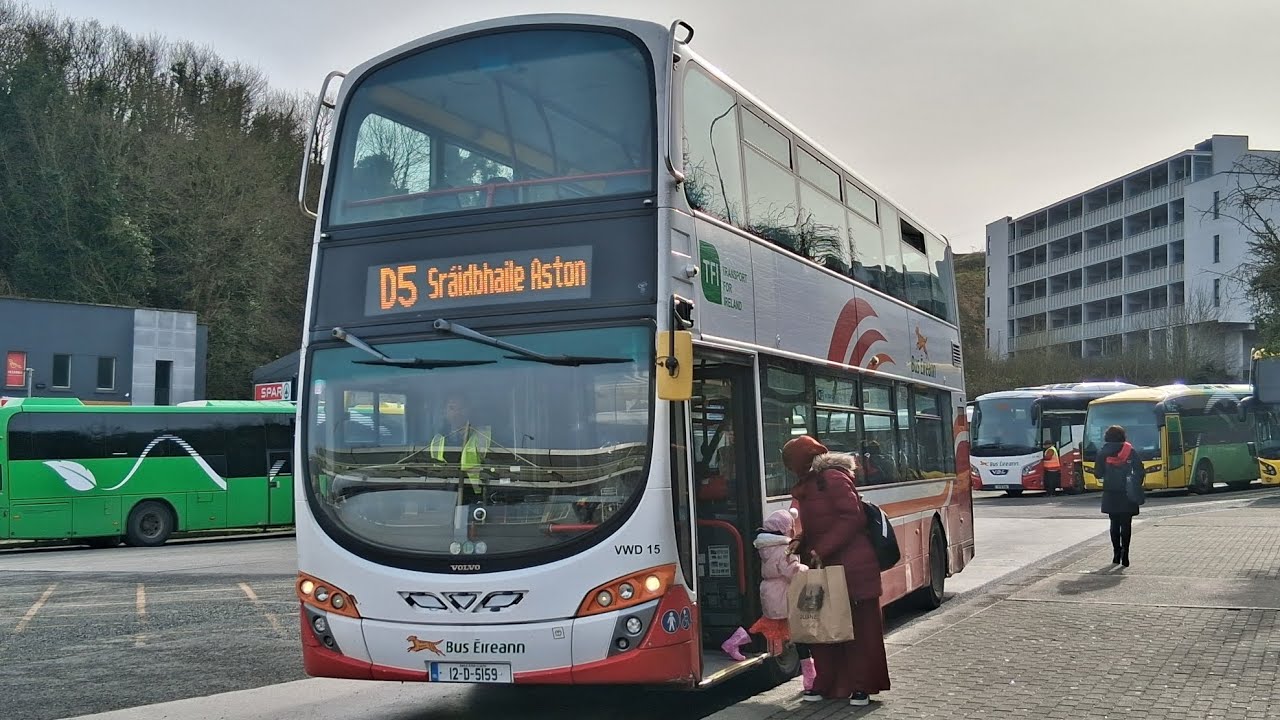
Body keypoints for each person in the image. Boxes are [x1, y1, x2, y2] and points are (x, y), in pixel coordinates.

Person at [784, 435, 890, 707]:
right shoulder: (812, 482)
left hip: (854, 568)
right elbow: (823, 522)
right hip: (831, 564)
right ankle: (830, 684)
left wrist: (821, 548)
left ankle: (860, 686)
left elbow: (852, 517)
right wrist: (802, 542)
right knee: (824, 628)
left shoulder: (832, 477)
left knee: (857, 630)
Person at [719, 509, 817, 693]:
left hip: (771, 591)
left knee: (767, 625)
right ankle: (810, 679)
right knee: (799, 635)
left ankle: (734, 642)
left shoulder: (766, 547)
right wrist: (806, 568)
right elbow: (791, 572)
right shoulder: (784, 549)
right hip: (782, 593)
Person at [1093, 424, 1143, 567]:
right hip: (1127, 493)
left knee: (1114, 523)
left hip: (1110, 493)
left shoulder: (1103, 452)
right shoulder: (1130, 450)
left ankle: (1116, 553)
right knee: (1126, 524)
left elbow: (1097, 473)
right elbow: (1140, 470)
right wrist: (1134, 484)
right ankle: (1126, 554)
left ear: (1107, 436)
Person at [429, 393, 492, 503]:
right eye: (452, 408)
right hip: (444, 496)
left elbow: (497, 465)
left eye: (462, 408)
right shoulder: (436, 440)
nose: (457, 413)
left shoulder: (486, 436)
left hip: (479, 495)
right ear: (444, 412)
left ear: (470, 411)